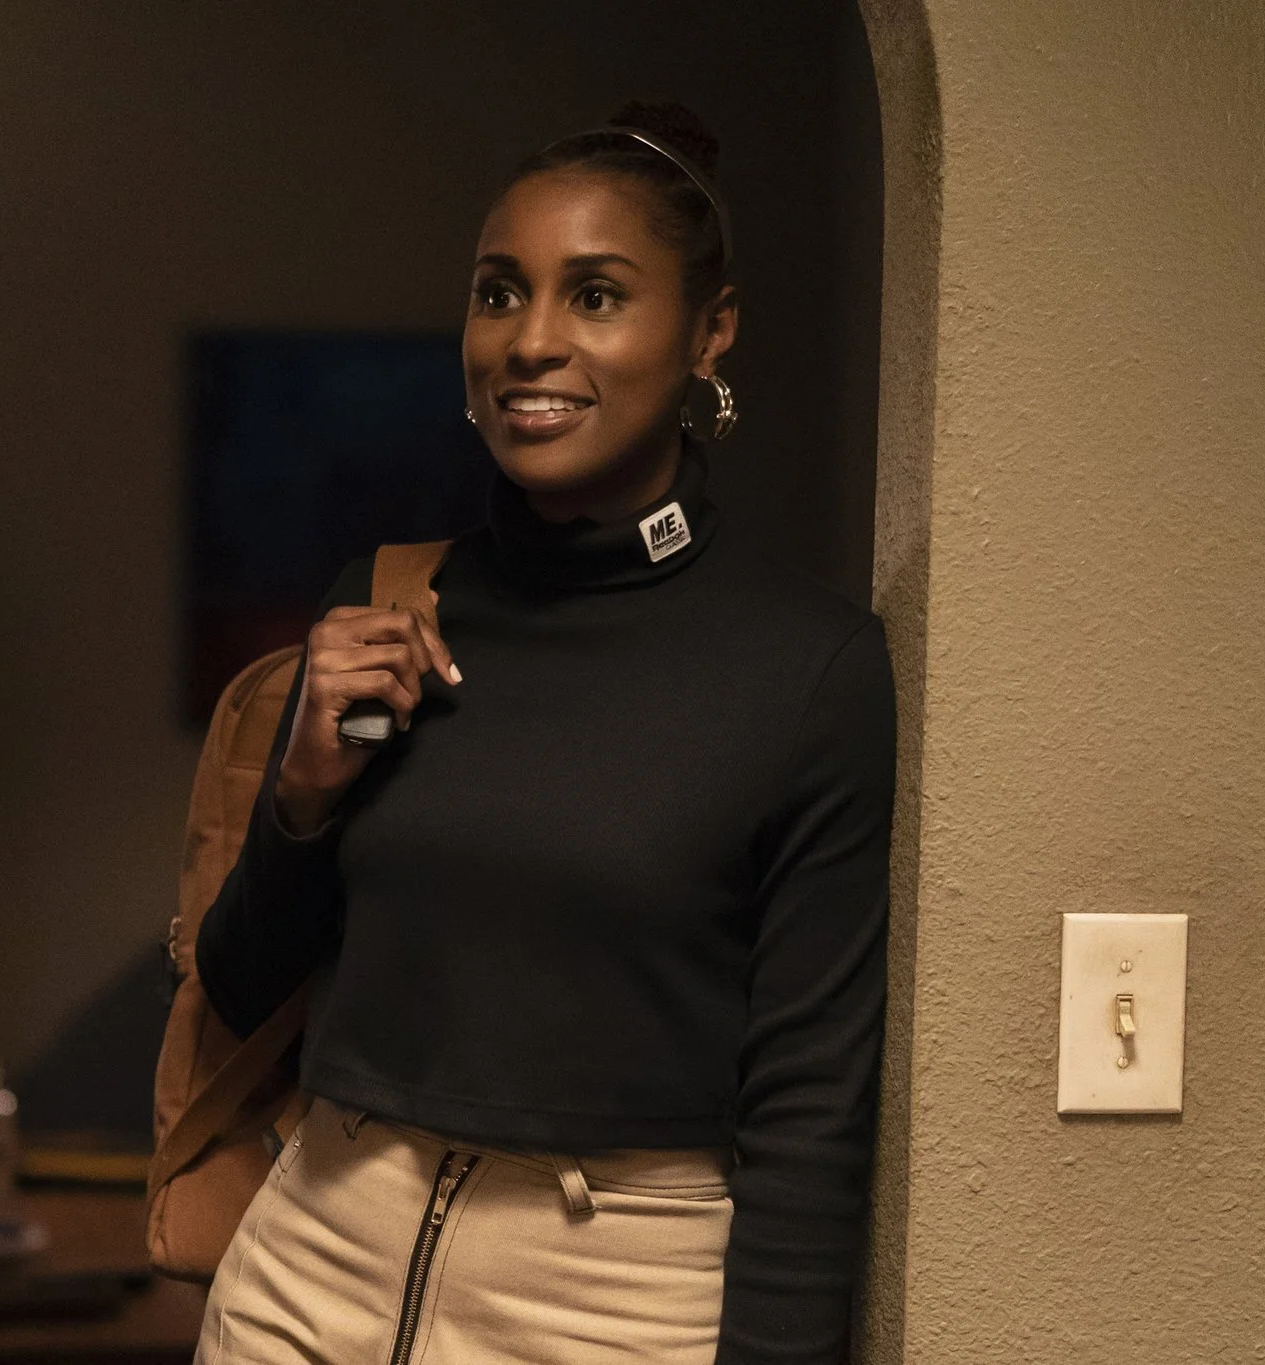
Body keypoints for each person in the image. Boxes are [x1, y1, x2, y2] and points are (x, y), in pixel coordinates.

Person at [194, 101, 895, 1365]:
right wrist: (301, 796)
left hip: (613, 1299)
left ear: (708, 332)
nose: (530, 342)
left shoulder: (810, 672)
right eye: (499, 294)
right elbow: (244, 987)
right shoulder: (387, 602)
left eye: (595, 297)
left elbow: (810, 1111)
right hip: (314, 1257)